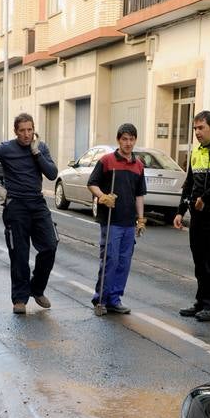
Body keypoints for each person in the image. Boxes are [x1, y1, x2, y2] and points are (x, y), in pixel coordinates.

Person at [0, 113, 58, 314]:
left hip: (37, 203)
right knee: (19, 253)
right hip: (16, 205)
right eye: (22, 131)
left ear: (34, 130)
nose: (26, 135)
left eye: (30, 130)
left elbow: (52, 174)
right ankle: (20, 299)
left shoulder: (41, 147)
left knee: (49, 247)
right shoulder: (6, 148)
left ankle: (37, 289)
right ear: (15, 131)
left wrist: (37, 154)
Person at [173, 110, 210, 322]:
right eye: (195, 128)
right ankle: (200, 302)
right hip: (197, 215)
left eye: (201, 128)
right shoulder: (197, 152)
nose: (197, 132)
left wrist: (205, 198)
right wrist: (180, 211)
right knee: (199, 261)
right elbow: (189, 183)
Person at [87, 123, 147, 315]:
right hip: (112, 221)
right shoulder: (107, 161)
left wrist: (141, 219)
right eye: (124, 139)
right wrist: (102, 197)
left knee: (124, 263)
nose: (128, 143)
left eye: (131, 139)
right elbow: (92, 183)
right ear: (118, 140)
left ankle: (115, 299)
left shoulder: (138, 166)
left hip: (129, 223)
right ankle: (101, 300)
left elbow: (139, 195)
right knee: (110, 260)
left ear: (135, 140)